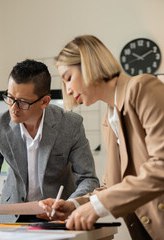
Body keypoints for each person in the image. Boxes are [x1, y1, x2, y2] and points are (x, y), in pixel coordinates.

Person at [39, 35, 164, 240]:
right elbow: (112, 185)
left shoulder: (142, 88)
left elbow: (161, 165)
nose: (68, 90)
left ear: (88, 64)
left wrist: (98, 206)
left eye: (69, 78)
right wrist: (74, 205)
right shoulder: (109, 119)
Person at [0, 59, 99, 223]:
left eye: (22, 102)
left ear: (44, 102)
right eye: (10, 98)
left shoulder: (70, 125)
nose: (13, 108)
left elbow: (88, 179)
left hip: (58, 215)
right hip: (12, 215)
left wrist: (69, 205)